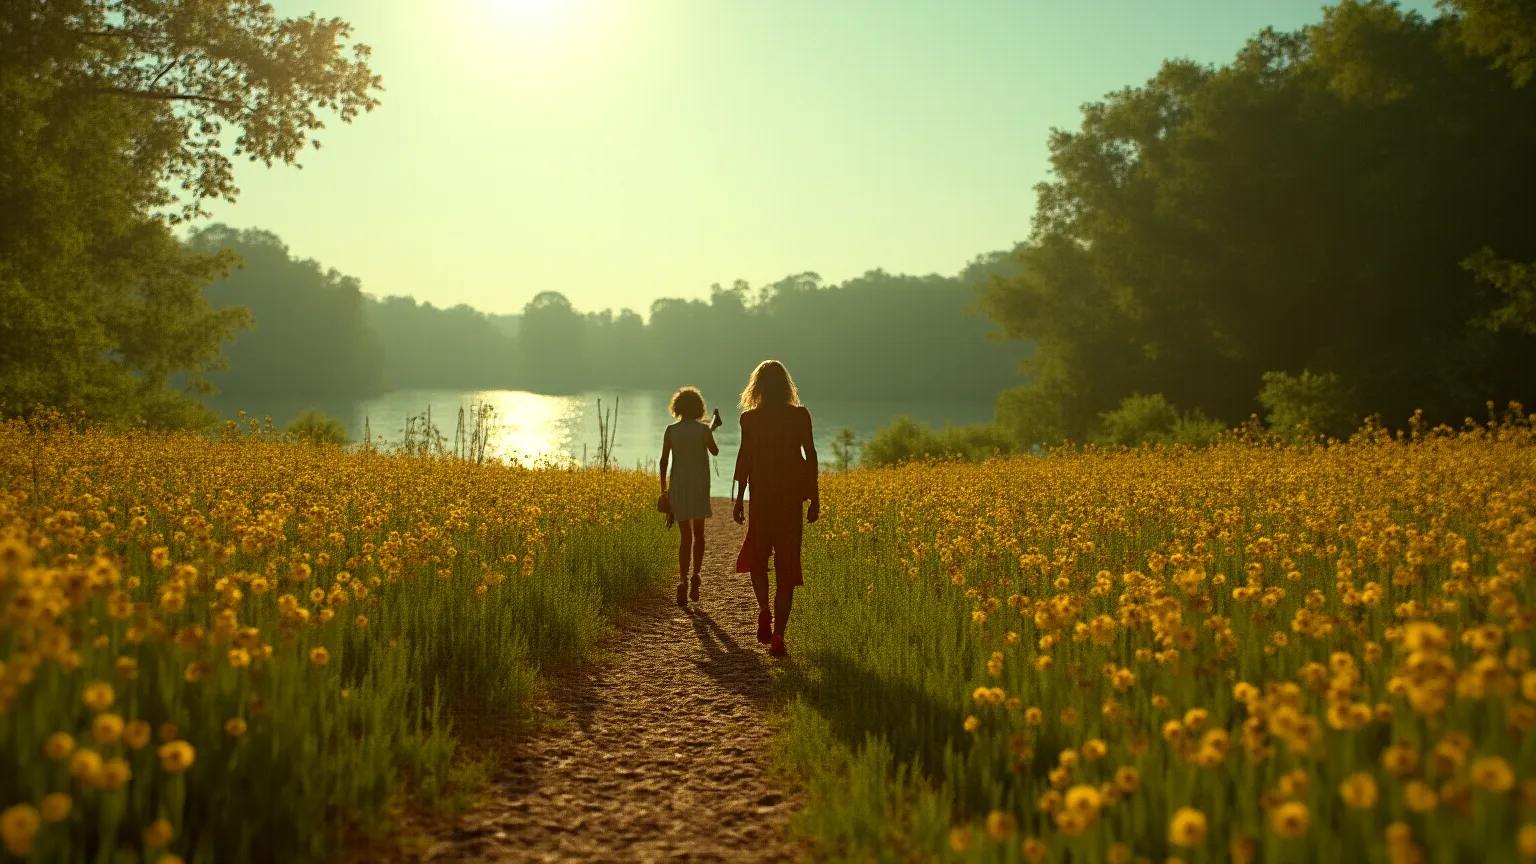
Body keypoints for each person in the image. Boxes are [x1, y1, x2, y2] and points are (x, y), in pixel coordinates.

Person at [732, 360, 818, 656]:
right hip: (790, 501)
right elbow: (811, 454)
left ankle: (764, 611)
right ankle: (779, 634)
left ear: (756, 387)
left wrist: (739, 498)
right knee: (786, 566)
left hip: (761, 499)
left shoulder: (749, 420)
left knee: (759, 559)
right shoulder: (800, 416)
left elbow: (744, 458)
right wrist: (815, 498)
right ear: (786, 386)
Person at [659, 387, 721, 608]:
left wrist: (664, 490)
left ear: (677, 407)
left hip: (679, 486)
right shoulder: (703, 431)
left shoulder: (670, 430)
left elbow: (663, 462)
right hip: (699, 487)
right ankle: (696, 576)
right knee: (699, 535)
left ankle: (683, 581)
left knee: (685, 537)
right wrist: (712, 428)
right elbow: (714, 451)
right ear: (698, 408)